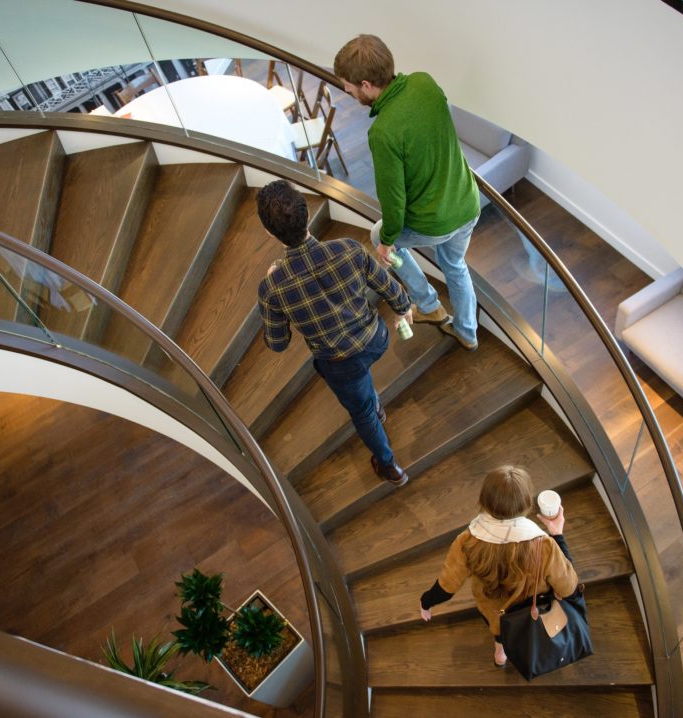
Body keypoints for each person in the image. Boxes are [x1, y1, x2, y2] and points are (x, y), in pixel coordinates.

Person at [256, 180, 413, 486]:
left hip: (340, 362)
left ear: (269, 233)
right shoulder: (349, 249)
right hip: (376, 339)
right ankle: (374, 407)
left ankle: (389, 466)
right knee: (361, 383)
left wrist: (276, 293)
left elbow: (277, 343)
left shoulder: (272, 287)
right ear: (307, 213)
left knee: (363, 411)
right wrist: (404, 308)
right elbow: (393, 291)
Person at [334, 34, 482, 351]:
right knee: (455, 266)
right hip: (467, 202)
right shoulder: (424, 83)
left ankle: (428, 305)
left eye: (349, 87)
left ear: (366, 85)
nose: (347, 92)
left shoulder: (384, 132)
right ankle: (468, 331)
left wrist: (387, 242)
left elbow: (394, 201)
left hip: (435, 221)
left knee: (377, 236)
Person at [418, 465, 578, 667]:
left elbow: (447, 587)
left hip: (493, 610)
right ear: (526, 503)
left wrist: (426, 602)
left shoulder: (466, 541)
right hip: (532, 607)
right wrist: (557, 535)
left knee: (498, 628)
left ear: (484, 501)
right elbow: (569, 586)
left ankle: (500, 653)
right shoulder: (543, 544)